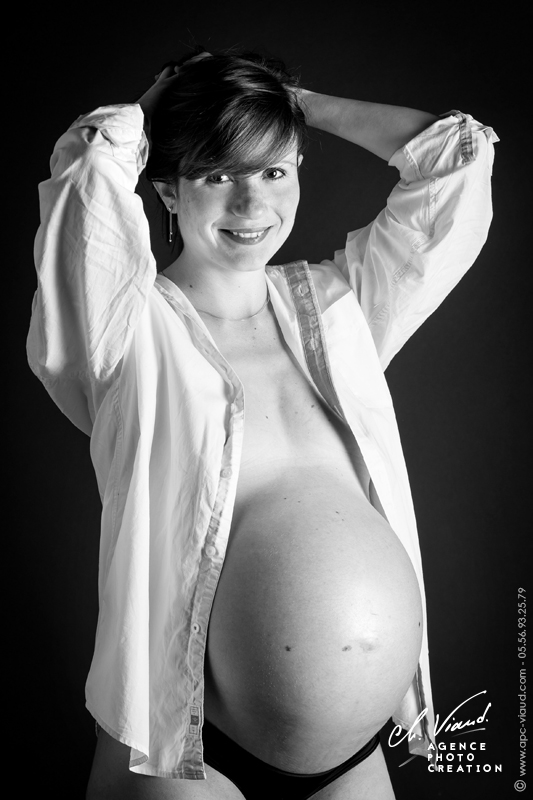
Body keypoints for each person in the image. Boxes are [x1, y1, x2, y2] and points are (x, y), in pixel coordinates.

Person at [27, 47, 498, 799]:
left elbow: (458, 162)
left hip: (353, 760)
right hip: (186, 753)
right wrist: (168, 100)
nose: (252, 207)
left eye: (274, 171)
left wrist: (288, 103)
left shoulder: (341, 309)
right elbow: (87, 179)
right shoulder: (126, 335)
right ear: (169, 192)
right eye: (218, 176)